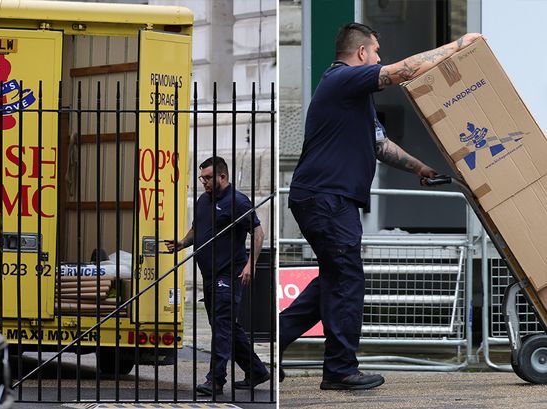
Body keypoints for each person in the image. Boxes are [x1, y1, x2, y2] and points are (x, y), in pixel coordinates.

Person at [279, 22, 483, 391]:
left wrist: (420, 167)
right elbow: (401, 71)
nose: (378, 58)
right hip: (327, 198)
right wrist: (459, 45)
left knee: (334, 278)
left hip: (324, 198)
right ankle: (340, 369)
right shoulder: (342, 79)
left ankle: (272, 343)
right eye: (374, 52)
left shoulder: (353, 97)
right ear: (361, 53)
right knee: (346, 279)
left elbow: (379, 144)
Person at [166, 156, 270, 395]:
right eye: (202, 178)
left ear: (223, 176)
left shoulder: (238, 201)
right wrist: (182, 242)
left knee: (222, 327)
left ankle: (215, 380)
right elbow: (197, 228)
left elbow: (258, 232)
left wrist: (250, 264)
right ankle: (257, 371)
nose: (204, 182)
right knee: (226, 326)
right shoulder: (204, 200)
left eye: (209, 178)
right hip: (209, 274)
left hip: (229, 273)